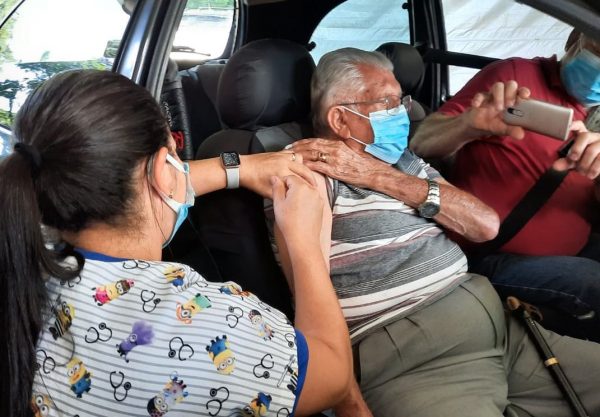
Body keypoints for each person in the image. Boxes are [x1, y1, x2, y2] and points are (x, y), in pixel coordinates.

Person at [0, 69, 352, 417]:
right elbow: (333, 374)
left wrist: (237, 167)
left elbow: (140, 179)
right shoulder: (214, 328)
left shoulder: (23, 256)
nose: (182, 169)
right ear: (161, 169)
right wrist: (303, 240)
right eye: (175, 158)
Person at [286, 48, 600, 417]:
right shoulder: (307, 170)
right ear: (340, 118)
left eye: (402, 100)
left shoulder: (401, 162)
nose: (402, 113)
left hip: (502, 331)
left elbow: (484, 224)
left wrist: (379, 175)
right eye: (388, 103)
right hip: (417, 362)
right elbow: (311, 304)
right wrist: (349, 403)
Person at [409, 30, 600, 338]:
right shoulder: (514, 77)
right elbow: (422, 142)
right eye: (598, 49)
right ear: (574, 38)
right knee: (593, 281)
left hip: (578, 249)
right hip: (492, 256)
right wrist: (467, 125)